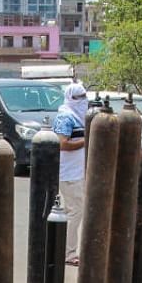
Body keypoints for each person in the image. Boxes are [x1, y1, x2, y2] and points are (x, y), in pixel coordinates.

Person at [53, 82, 87, 266]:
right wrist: (86, 141)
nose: (83, 101)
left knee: (71, 210)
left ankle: (64, 248)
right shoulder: (65, 117)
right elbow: (62, 144)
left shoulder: (79, 117)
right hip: (68, 173)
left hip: (78, 172)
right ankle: (69, 252)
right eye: (78, 97)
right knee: (76, 210)